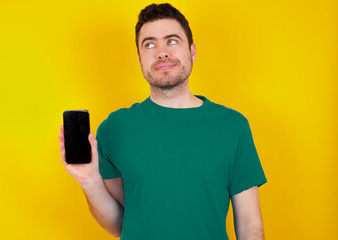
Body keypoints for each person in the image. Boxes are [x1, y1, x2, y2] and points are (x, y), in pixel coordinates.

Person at [59, 3, 267, 240]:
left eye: (172, 41)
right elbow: (120, 224)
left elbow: (250, 223)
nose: (161, 52)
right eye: (149, 44)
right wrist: (89, 181)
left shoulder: (233, 126)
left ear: (192, 51)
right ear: (139, 58)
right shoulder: (113, 129)